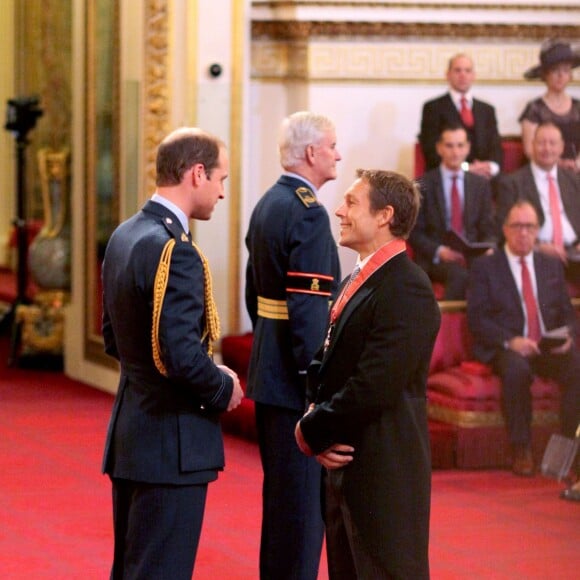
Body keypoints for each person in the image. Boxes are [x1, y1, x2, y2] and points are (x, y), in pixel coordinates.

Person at [101, 127, 244, 579]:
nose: (222, 193)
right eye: (221, 179)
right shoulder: (175, 251)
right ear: (197, 173)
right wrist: (223, 385)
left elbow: (112, 339)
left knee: (133, 569)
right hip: (172, 444)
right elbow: (182, 356)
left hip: (133, 433)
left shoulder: (126, 234)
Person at [295, 169, 441, 579]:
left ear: (384, 215)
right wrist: (316, 417)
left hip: (385, 473)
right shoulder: (356, 279)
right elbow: (325, 360)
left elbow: (374, 385)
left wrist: (312, 430)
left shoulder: (407, 287)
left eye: (352, 203)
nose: (339, 211)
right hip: (346, 467)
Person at [245, 111, 342, 580]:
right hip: (296, 384)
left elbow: (254, 294)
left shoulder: (269, 203)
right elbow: (308, 314)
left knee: (282, 507)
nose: (337, 154)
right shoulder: (308, 213)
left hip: (269, 372)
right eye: (331, 146)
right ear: (310, 153)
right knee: (302, 516)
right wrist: (318, 386)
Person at [467, 200, 580, 477]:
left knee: (577, 366)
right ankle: (522, 449)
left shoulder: (549, 265)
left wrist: (567, 337)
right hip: (508, 346)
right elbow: (478, 319)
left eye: (530, 227)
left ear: (538, 230)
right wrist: (511, 341)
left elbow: (567, 313)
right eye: (517, 226)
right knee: (516, 369)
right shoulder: (486, 266)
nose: (524, 233)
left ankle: (569, 449)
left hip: (546, 346)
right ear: (505, 229)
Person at [409, 123, 497, 299]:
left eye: (460, 145)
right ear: (439, 148)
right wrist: (439, 251)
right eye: (449, 146)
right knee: (459, 276)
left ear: (468, 148)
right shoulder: (423, 184)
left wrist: (489, 248)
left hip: (473, 257)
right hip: (438, 258)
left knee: (497, 272)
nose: (455, 152)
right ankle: (447, 326)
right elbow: (414, 232)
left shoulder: (480, 185)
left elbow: (489, 228)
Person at [496, 122, 580, 273]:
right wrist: (537, 247)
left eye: (552, 143)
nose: (547, 148)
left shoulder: (575, 180)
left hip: (575, 253)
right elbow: (504, 230)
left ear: (561, 147)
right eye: (541, 143)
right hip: (535, 253)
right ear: (532, 145)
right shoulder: (512, 183)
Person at [419, 53, 503, 178]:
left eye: (467, 71)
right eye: (457, 70)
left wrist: (490, 167)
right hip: (447, 176)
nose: (463, 75)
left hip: (484, 177)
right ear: (448, 75)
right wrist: (466, 168)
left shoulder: (487, 110)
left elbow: (496, 147)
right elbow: (431, 152)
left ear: (474, 76)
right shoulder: (432, 108)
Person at [520, 39, 580, 172]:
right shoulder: (534, 108)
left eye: (565, 70)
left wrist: (577, 164)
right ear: (545, 75)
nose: (560, 75)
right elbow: (530, 150)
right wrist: (558, 164)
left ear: (570, 75)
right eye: (555, 70)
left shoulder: (578, 107)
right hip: (544, 170)